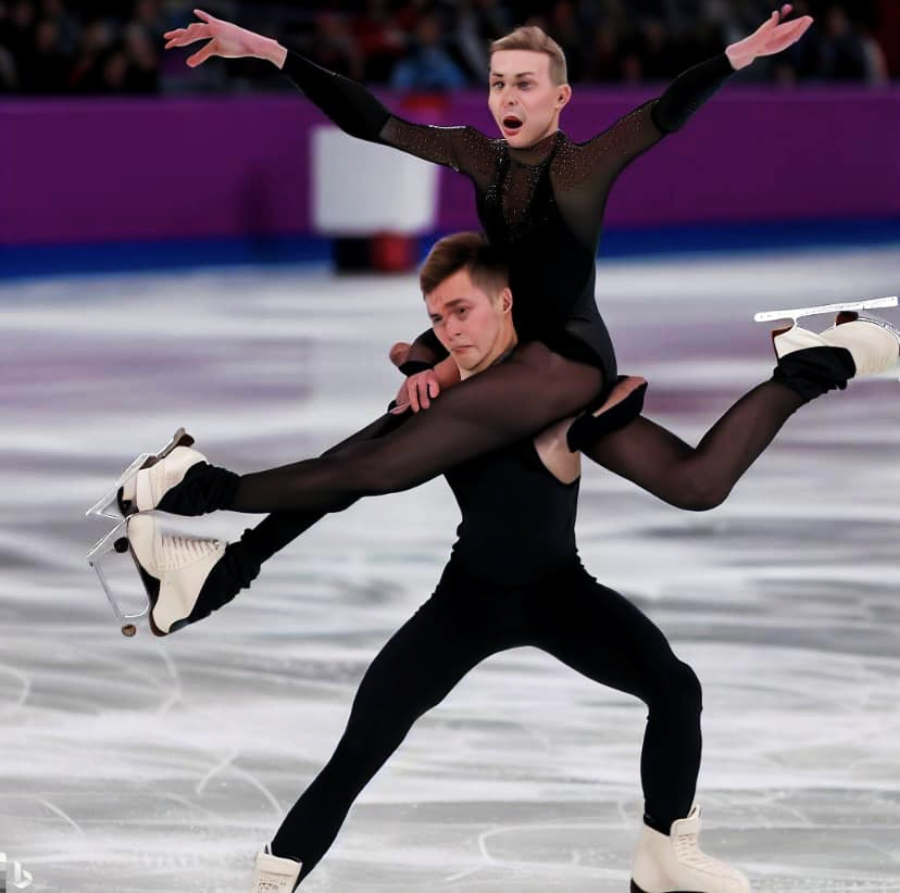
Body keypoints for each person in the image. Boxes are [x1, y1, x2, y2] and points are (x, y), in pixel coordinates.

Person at [148, 6, 874, 594]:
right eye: (498, 83)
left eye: (525, 84)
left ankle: (207, 489)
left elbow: (665, 111)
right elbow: (372, 121)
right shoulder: (475, 154)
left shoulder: (585, 165)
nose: (507, 98)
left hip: (567, 361)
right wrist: (274, 52)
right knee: (696, 483)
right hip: (510, 350)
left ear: (559, 97)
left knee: (386, 461)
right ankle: (809, 365)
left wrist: (735, 57)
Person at [127, 233, 752, 893]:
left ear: (504, 302)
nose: (450, 330)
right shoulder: (444, 397)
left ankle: (663, 853)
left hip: (559, 593)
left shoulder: (549, 384)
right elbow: (347, 473)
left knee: (675, 688)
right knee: (363, 745)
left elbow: (624, 390)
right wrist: (423, 365)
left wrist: (589, 411)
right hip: (467, 601)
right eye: (437, 317)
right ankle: (272, 879)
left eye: (462, 311)